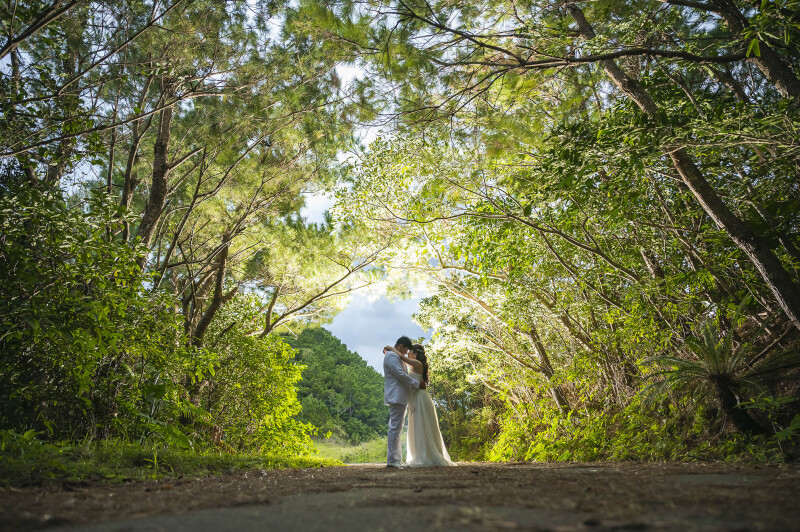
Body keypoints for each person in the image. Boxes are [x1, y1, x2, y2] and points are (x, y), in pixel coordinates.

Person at [383, 343, 455, 467]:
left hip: (420, 399)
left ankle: (424, 457)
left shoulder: (417, 364)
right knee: (417, 427)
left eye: (409, 352)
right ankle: (419, 456)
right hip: (415, 399)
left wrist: (391, 349)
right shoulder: (414, 365)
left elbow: (401, 357)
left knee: (421, 427)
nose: (407, 354)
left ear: (415, 354)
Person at [382, 336, 424, 468]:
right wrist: (417, 383)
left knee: (397, 428)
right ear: (401, 346)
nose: (405, 354)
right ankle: (392, 459)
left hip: (400, 396)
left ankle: (396, 459)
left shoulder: (395, 355)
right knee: (395, 428)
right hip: (397, 396)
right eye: (406, 350)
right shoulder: (391, 356)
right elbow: (400, 374)